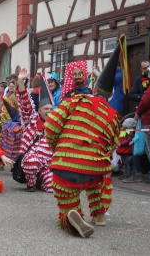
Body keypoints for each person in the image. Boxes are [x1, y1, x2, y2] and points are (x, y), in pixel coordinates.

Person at [44, 45, 121, 238]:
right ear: (110, 95)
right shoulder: (113, 115)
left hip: (67, 166)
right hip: (95, 168)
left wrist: (57, 148)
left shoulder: (74, 101)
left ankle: (72, 215)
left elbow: (51, 124)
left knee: (66, 193)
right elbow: (112, 145)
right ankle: (100, 214)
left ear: (94, 89)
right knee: (101, 179)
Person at [16, 68, 54, 192]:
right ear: (39, 111)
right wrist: (21, 81)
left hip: (49, 164)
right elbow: (25, 102)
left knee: (51, 187)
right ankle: (31, 183)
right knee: (31, 162)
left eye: (51, 109)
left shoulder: (56, 125)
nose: (49, 111)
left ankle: (41, 181)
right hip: (33, 160)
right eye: (46, 109)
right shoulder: (31, 120)